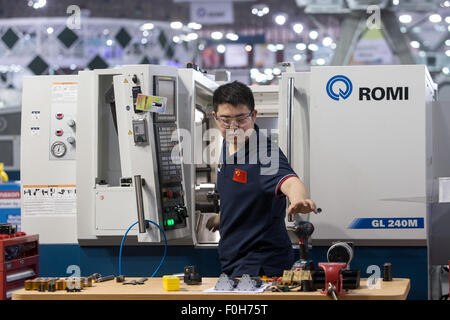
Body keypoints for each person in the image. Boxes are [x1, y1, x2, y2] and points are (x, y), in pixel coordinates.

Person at [206, 81, 318, 278]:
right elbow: (244, 193)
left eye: (241, 119)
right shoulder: (227, 144)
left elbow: (290, 182)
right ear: (215, 117)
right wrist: (222, 217)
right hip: (232, 259)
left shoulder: (265, 153)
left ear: (254, 115)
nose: (233, 127)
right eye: (226, 120)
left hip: (260, 264)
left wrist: (299, 199)